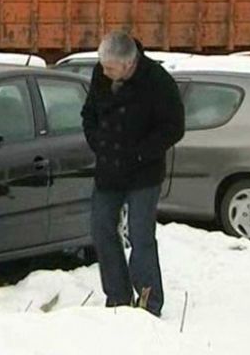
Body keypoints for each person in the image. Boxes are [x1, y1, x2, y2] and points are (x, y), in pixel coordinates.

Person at [81, 31, 185, 317]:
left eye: (111, 68)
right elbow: (88, 114)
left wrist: (141, 153)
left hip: (143, 173)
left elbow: (174, 127)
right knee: (101, 230)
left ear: (128, 65)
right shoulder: (101, 74)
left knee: (140, 236)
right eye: (103, 66)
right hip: (108, 170)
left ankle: (149, 301)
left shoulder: (158, 81)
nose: (105, 72)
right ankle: (117, 296)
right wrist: (98, 143)